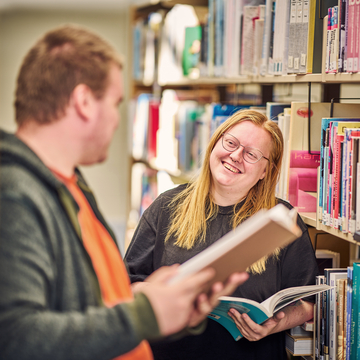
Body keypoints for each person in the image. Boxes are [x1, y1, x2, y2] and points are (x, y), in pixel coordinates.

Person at [0, 25, 249, 360]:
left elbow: (89, 309)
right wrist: (146, 313)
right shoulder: (14, 196)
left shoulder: (68, 185)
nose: (119, 121)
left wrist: (166, 308)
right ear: (84, 102)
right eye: (117, 103)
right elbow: (16, 340)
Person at [125, 109, 319, 360]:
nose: (236, 156)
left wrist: (274, 325)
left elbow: (308, 303)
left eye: (251, 154)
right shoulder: (166, 206)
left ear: (265, 172)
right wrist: (162, 295)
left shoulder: (280, 219)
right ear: (215, 142)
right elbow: (126, 285)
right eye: (230, 143)